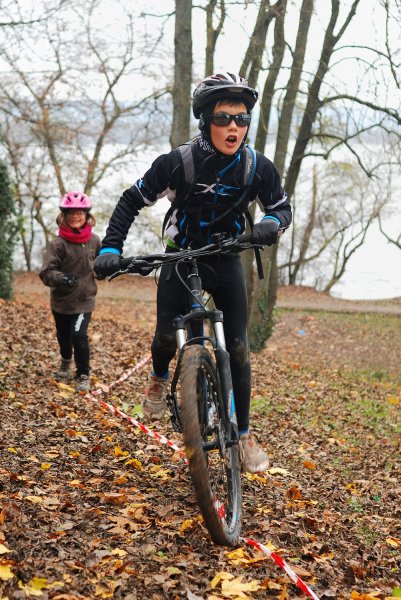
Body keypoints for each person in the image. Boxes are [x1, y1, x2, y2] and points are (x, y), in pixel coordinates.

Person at [94, 72, 292, 472]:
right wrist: (112, 247)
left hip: (226, 255)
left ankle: (244, 435)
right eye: (223, 118)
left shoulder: (256, 167)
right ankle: (157, 375)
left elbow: (282, 208)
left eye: (241, 119)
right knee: (166, 337)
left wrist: (273, 224)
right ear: (205, 121)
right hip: (180, 256)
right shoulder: (179, 162)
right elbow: (132, 200)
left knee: (237, 347)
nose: (233, 127)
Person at [40, 191, 101, 392]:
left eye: (80, 213)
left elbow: (101, 264)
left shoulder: (94, 241)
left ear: (86, 216)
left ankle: (83, 374)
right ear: (64, 217)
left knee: (79, 336)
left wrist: (106, 269)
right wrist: (62, 278)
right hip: (62, 302)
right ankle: (66, 361)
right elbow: (46, 272)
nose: (76, 217)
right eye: (71, 213)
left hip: (85, 300)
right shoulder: (58, 244)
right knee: (64, 338)